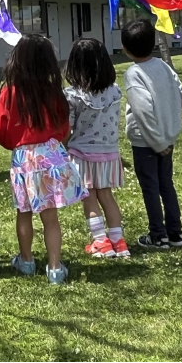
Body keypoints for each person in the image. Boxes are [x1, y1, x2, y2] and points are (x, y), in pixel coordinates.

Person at [0, 34, 86, 284]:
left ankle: (26, 260)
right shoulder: (52, 91)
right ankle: (55, 268)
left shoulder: (9, 93)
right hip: (51, 154)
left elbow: (0, 129)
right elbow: (64, 126)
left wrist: (15, 143)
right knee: (50, 215)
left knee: (24, 211)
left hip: (24, 158)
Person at [120, 19, 182, 250]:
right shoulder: (163, 66)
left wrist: (157, 142)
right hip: (167, 137)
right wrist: (168, 128)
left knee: (151, 187)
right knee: (166, 184)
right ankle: (175, 233)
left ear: (126, 49)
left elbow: (142, 110)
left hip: (146, 142)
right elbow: (180, 92)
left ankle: (159, 236)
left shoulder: (133, 73)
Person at [64, 38, 129, 258]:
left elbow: (68, 128)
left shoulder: (72, 95)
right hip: (109, 152)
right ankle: (118, 242)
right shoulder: (115, 91)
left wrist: (62, 148)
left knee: (89, 197)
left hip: (82, 154)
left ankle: (100, 241)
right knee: (107, 196)